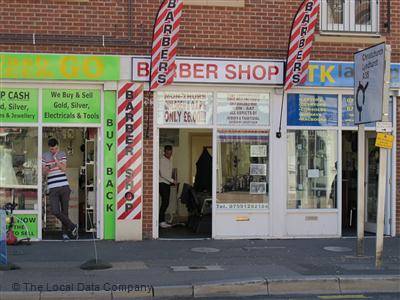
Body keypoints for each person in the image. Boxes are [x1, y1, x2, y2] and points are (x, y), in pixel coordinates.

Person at [42, 138, 78, 240]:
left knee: (65, 211)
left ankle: (65, 234)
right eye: (52, 149)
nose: (54, 151)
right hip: (52, 187)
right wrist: (50, 166)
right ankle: (72, 226)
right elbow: (43, 172)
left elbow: (63, 168)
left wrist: (56, 160)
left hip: (64, 186)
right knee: (55, 211)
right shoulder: (45, 156)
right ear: (49, 148)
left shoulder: (62, 153)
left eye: (55, 148)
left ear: (58, 146)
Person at [159, 145, 175, 228]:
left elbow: (169, 172)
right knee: (165, 202)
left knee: (166, 202)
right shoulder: (162, 160)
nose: (169, 154)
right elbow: (163, 174)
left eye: (170, 153)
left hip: (167, 183)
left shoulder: (170, 159)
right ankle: (161, 222)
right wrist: (173, 180)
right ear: (164, 152)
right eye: (167, 153)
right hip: (162, 183)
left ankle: (162, 220)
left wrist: (172, 181)